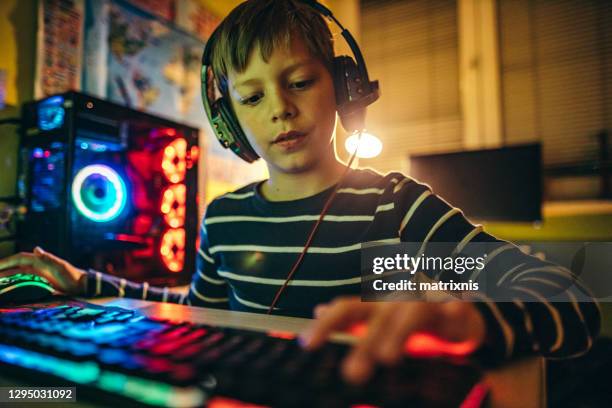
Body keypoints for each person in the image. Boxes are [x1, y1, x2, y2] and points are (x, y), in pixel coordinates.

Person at [0, 0, 600, 386]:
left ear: (342, 88)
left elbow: (565, 294)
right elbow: (194, 308)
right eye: (252, 97)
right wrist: (87, 284)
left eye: (300, 81)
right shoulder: (225, 218)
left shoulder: (392, 214)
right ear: (229, 120)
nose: (280, 109)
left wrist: (469, 318)